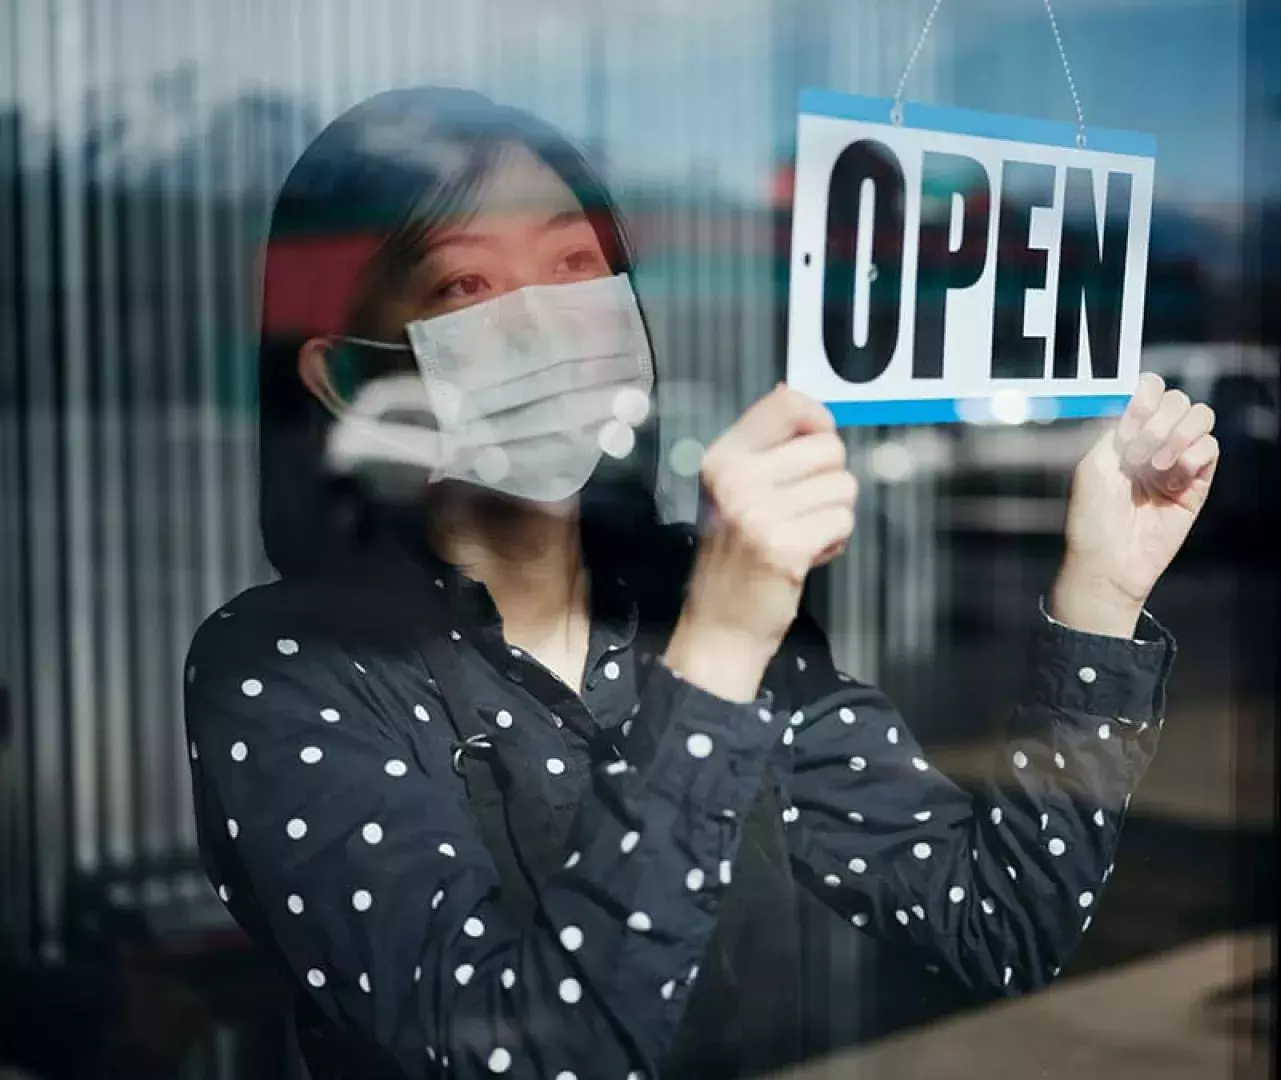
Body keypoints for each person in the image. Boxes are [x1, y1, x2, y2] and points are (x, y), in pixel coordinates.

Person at [183, 86, 1218, 1080]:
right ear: (343, 373)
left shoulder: (688, 592)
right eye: (466, 285)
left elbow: (999, 925)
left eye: (574, 263)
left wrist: (1098, 596)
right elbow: (530, 1059)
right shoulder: (285, 668)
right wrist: (718, 649)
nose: (546, 322)